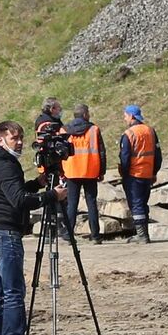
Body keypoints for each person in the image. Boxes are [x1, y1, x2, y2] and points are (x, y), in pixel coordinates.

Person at [0, 121, 63, 335]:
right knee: (13, 291)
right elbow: (19, 200)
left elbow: (11, 193)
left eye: (20, 138)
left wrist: (36, 184)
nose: (19, 142)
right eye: (14, 138)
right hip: (4, 233)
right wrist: (51, 195)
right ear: (1, 140)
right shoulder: (6, 166)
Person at [61, 104, 108, 244]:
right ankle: (95, 236)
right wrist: (102, 171)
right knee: (91, 203)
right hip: (90, 171)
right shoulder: (94, 129)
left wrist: (61, 171)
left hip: (71, 171)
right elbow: (101, 152)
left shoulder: (64, 130)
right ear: (86, 115)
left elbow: (60, 152)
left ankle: (69, 236)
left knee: (72, 204)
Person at [119, 105, 161, 244]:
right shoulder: (150, 131)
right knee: (143, 204)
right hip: (147, 174)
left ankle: (142, 235)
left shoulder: (129, 134)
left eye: (125, 116)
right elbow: (158, 155)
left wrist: (124, 174)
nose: (124, 118)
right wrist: (154, 172)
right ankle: (144, 234)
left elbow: (125, 158)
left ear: (131, 116)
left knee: (136, 205)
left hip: (134, 175)